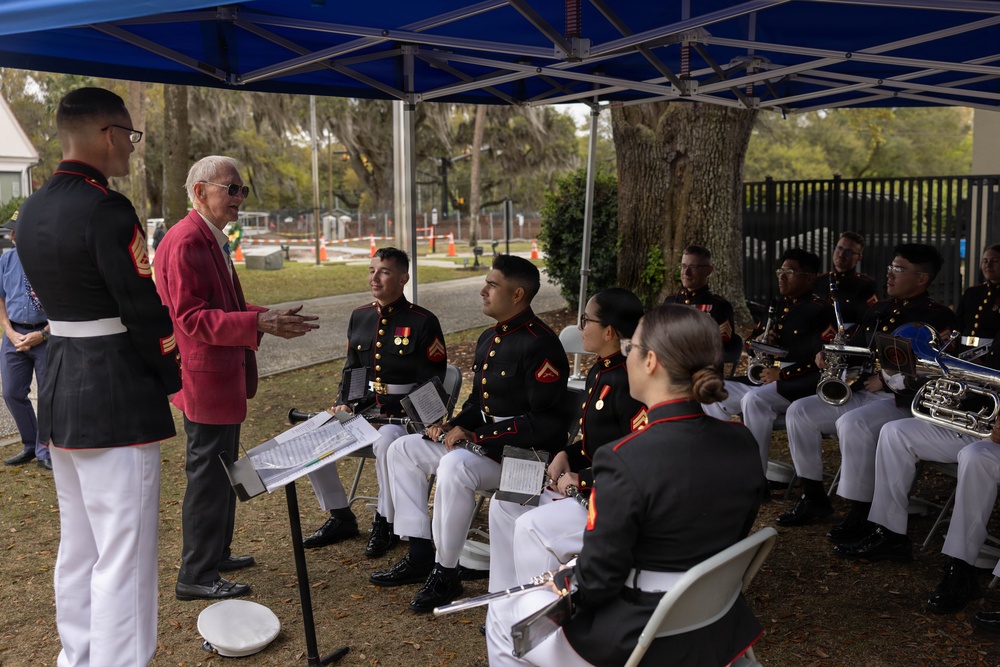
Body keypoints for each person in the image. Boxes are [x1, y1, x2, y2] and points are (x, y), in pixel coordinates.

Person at [486, 304, 766, 667]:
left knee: (505, 616)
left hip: (645, 631)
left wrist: (565, 578)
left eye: (631, 347)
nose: (625, 354)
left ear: (650, 362)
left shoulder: (625, 457)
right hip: (717, 620)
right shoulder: (741, 440)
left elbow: (600, 581)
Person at [15, 86, 182, 667]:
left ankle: (77, 655)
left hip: (60, 384)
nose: (132, 151)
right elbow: (140, 306)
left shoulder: (30, 208)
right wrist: (170, 371)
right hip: (114, 392)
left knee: (80, 544)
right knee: (124, 553)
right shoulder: (106, 208)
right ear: (108, 134)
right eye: (131, 138)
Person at [155, 155, 319, 601]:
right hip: (205, 381)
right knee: (208, 477)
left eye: (242, 189)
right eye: (231, 189)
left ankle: (216, 553)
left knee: (223, 472)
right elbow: (192, 319)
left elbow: (223, 304)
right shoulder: (187, 240)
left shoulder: (210, 238)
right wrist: (259, 326)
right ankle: (196, 575)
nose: (239, 198)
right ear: (199, 192)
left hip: (221, 378)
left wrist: (268, 316)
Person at [371, 254, 569, 612]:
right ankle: (419, 554)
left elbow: (546, 423)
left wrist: (478, 437)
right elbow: (479, 404)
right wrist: (452, 424)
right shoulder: (488, 337)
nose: (483, 291)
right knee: (404, 450)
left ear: (519, 294)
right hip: (486, 452)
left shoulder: (541, 343)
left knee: (455, 467)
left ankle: (445, 572)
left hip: (525, 460)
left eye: (492, 285)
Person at [778, 243, 956, 530]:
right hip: (864, 391)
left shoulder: (938, 317)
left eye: (898, 269)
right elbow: (853, 347)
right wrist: (830, 355)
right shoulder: (879, 309)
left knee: (854, 424)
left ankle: (859, 513)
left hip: (904, 402)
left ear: (922, 279)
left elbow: (933, 371)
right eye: (890, 267)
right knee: (800, 411)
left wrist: (885, 379)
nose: (889, 274)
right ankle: (813, 497)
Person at [489, 288, 646, 593]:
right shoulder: (601, 370)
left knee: (530, 526)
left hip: (606, 496)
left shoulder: (631, 378)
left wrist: (582, 478)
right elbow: (599, 441)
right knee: (503, 503)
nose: (580, 327)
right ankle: (504, 598)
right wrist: (566, 455)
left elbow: (638, 454)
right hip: (582, 482)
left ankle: (539, 604)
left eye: (586, 320)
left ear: (610, 331)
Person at [303, 247, 446, 556]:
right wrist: (345, 402)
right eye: (371, 271)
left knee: (386, 442)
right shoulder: (360, 316)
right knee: (312, 437)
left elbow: (431, 380)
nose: (375, 277)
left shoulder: (423, 321)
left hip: (400, 419)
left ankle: (386, 520)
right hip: (363, 412)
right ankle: (340, 515)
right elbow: (353, 368)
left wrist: (405, 416)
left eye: (384, 272)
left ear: (404, 278)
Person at [702, 248, 836, 471]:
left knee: (754, 401)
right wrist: (764, 342)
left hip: (799, 384)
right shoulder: (777, 305)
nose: (782, 276)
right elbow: (749, 343)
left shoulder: (820, 310)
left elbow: (824, 360)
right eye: (780, 271)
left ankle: (755, 475)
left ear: (809, 278)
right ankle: (724, 462)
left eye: (789, 272)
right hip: (766, 379)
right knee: (710, 391)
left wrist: (782, 375)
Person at [0, 213, 52, 470]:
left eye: (15, 231)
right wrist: (9, 332)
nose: (11, 236)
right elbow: (0, 298)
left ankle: (45, 450)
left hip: (45, 335)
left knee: (47, 394)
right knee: (11, 392)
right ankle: (30, 445)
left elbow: (66, 305)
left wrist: (42, 334)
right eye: (11, 232)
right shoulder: (5, 260)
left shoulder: (52, 262)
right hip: (14, 334)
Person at [662, 245, 737, 356]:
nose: (686, 273)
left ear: (708, 271)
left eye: (693, 267)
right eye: (683, 266)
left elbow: (724, 348)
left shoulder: (719, 306)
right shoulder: (670, 301)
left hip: (702, 371)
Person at [813, 231, 878, 327]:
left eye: (849, 251)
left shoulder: (865, 284)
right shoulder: (818, 281)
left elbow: (866, 320)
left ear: (859, 258)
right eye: (839, 248)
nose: (842, 254)